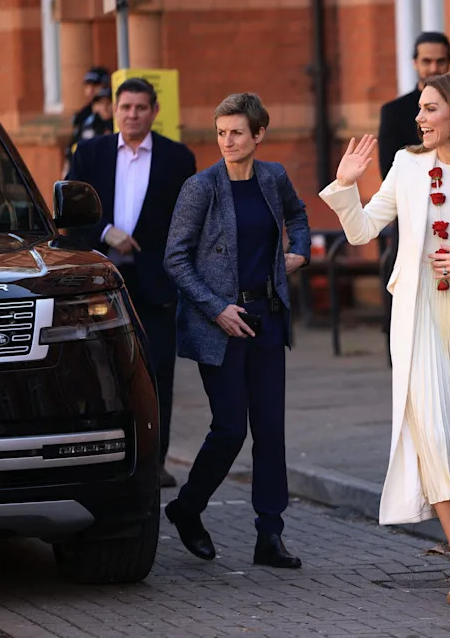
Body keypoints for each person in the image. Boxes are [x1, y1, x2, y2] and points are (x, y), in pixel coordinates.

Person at [319, 73, 450, 605]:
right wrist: (346, 186)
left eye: (430, 109)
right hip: (419, 316)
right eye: (420, 109)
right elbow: (363, 230)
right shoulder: (407, 167)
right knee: (431, 434)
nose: (419, 118)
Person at [163, 93, 311, 569]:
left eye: (237, 133)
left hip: (266, 318)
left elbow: (298, 215)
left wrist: (300, 252)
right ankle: (187, 508)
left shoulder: (273, 177)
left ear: (258, 135)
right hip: (220, 326)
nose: (227, 141)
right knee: (229, 428)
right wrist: (215, 308)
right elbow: (175, 259)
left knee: (271, 430)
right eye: (221, 133)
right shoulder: (201, 187)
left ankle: (270, 535)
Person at [67, 78, 196, 489]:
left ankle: (154, 462)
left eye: (141, 107)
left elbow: (188, 221)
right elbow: (70, 213)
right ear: (115, 110)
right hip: (101, 280)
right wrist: (107, 232)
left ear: (154, 111)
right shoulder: (90, 153)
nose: (132, 114)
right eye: (126, 107)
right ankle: (97, 457)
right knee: (97, 368)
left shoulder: (178, 159)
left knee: (157, 372)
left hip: (156, 282)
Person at [378, 31, 450, 178]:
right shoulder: (393, 111)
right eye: (427, 61)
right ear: (415, 63)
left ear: (449, 62)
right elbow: (389, 172)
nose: (434, 69)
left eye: (440, 61)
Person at [65, 66, 111, 172]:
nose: (90, 90)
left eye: (95, 85)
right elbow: (73, 143)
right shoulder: (81, 115)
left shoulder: (112, 112)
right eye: (88, 85)